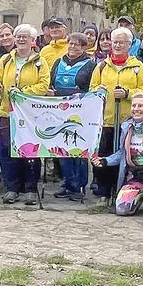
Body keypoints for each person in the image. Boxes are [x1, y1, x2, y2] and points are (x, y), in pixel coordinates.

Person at [88, 27, 143, 204]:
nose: (118, 45)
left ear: (129, 44)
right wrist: (98, 91)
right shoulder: (101, 67)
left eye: (122, 42)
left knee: (127, 157)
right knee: (104, 157)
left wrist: (127, 93)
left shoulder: (138, 67)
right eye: (115, 42)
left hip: (128, 121)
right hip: (105, 120)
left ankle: (124, 191)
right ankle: (103, 191)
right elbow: (92, 89)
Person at [0, 24, 49, 205]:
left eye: (25, 36)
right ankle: (12, 188)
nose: (21, 39)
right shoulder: (6, 60)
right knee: (7, 151)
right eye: (19, 36)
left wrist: (23, 92)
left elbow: (44, 85)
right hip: (7, 112)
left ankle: (30, 188)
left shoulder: (40, 62)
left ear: (33, 41)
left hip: (30, 115)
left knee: (30, 151)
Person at [47, 33, 96, 200]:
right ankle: (68, 183)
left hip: (80, 113)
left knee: (77, 148)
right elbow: (50, 83)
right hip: (59, 111)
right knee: (62, 149)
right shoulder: (58, 62)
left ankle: (79, 186)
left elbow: (90, 90)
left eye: (77, 45)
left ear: (84, 48)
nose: (73, 47)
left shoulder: (90, 65)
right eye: (71, 44)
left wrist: (64, 93)